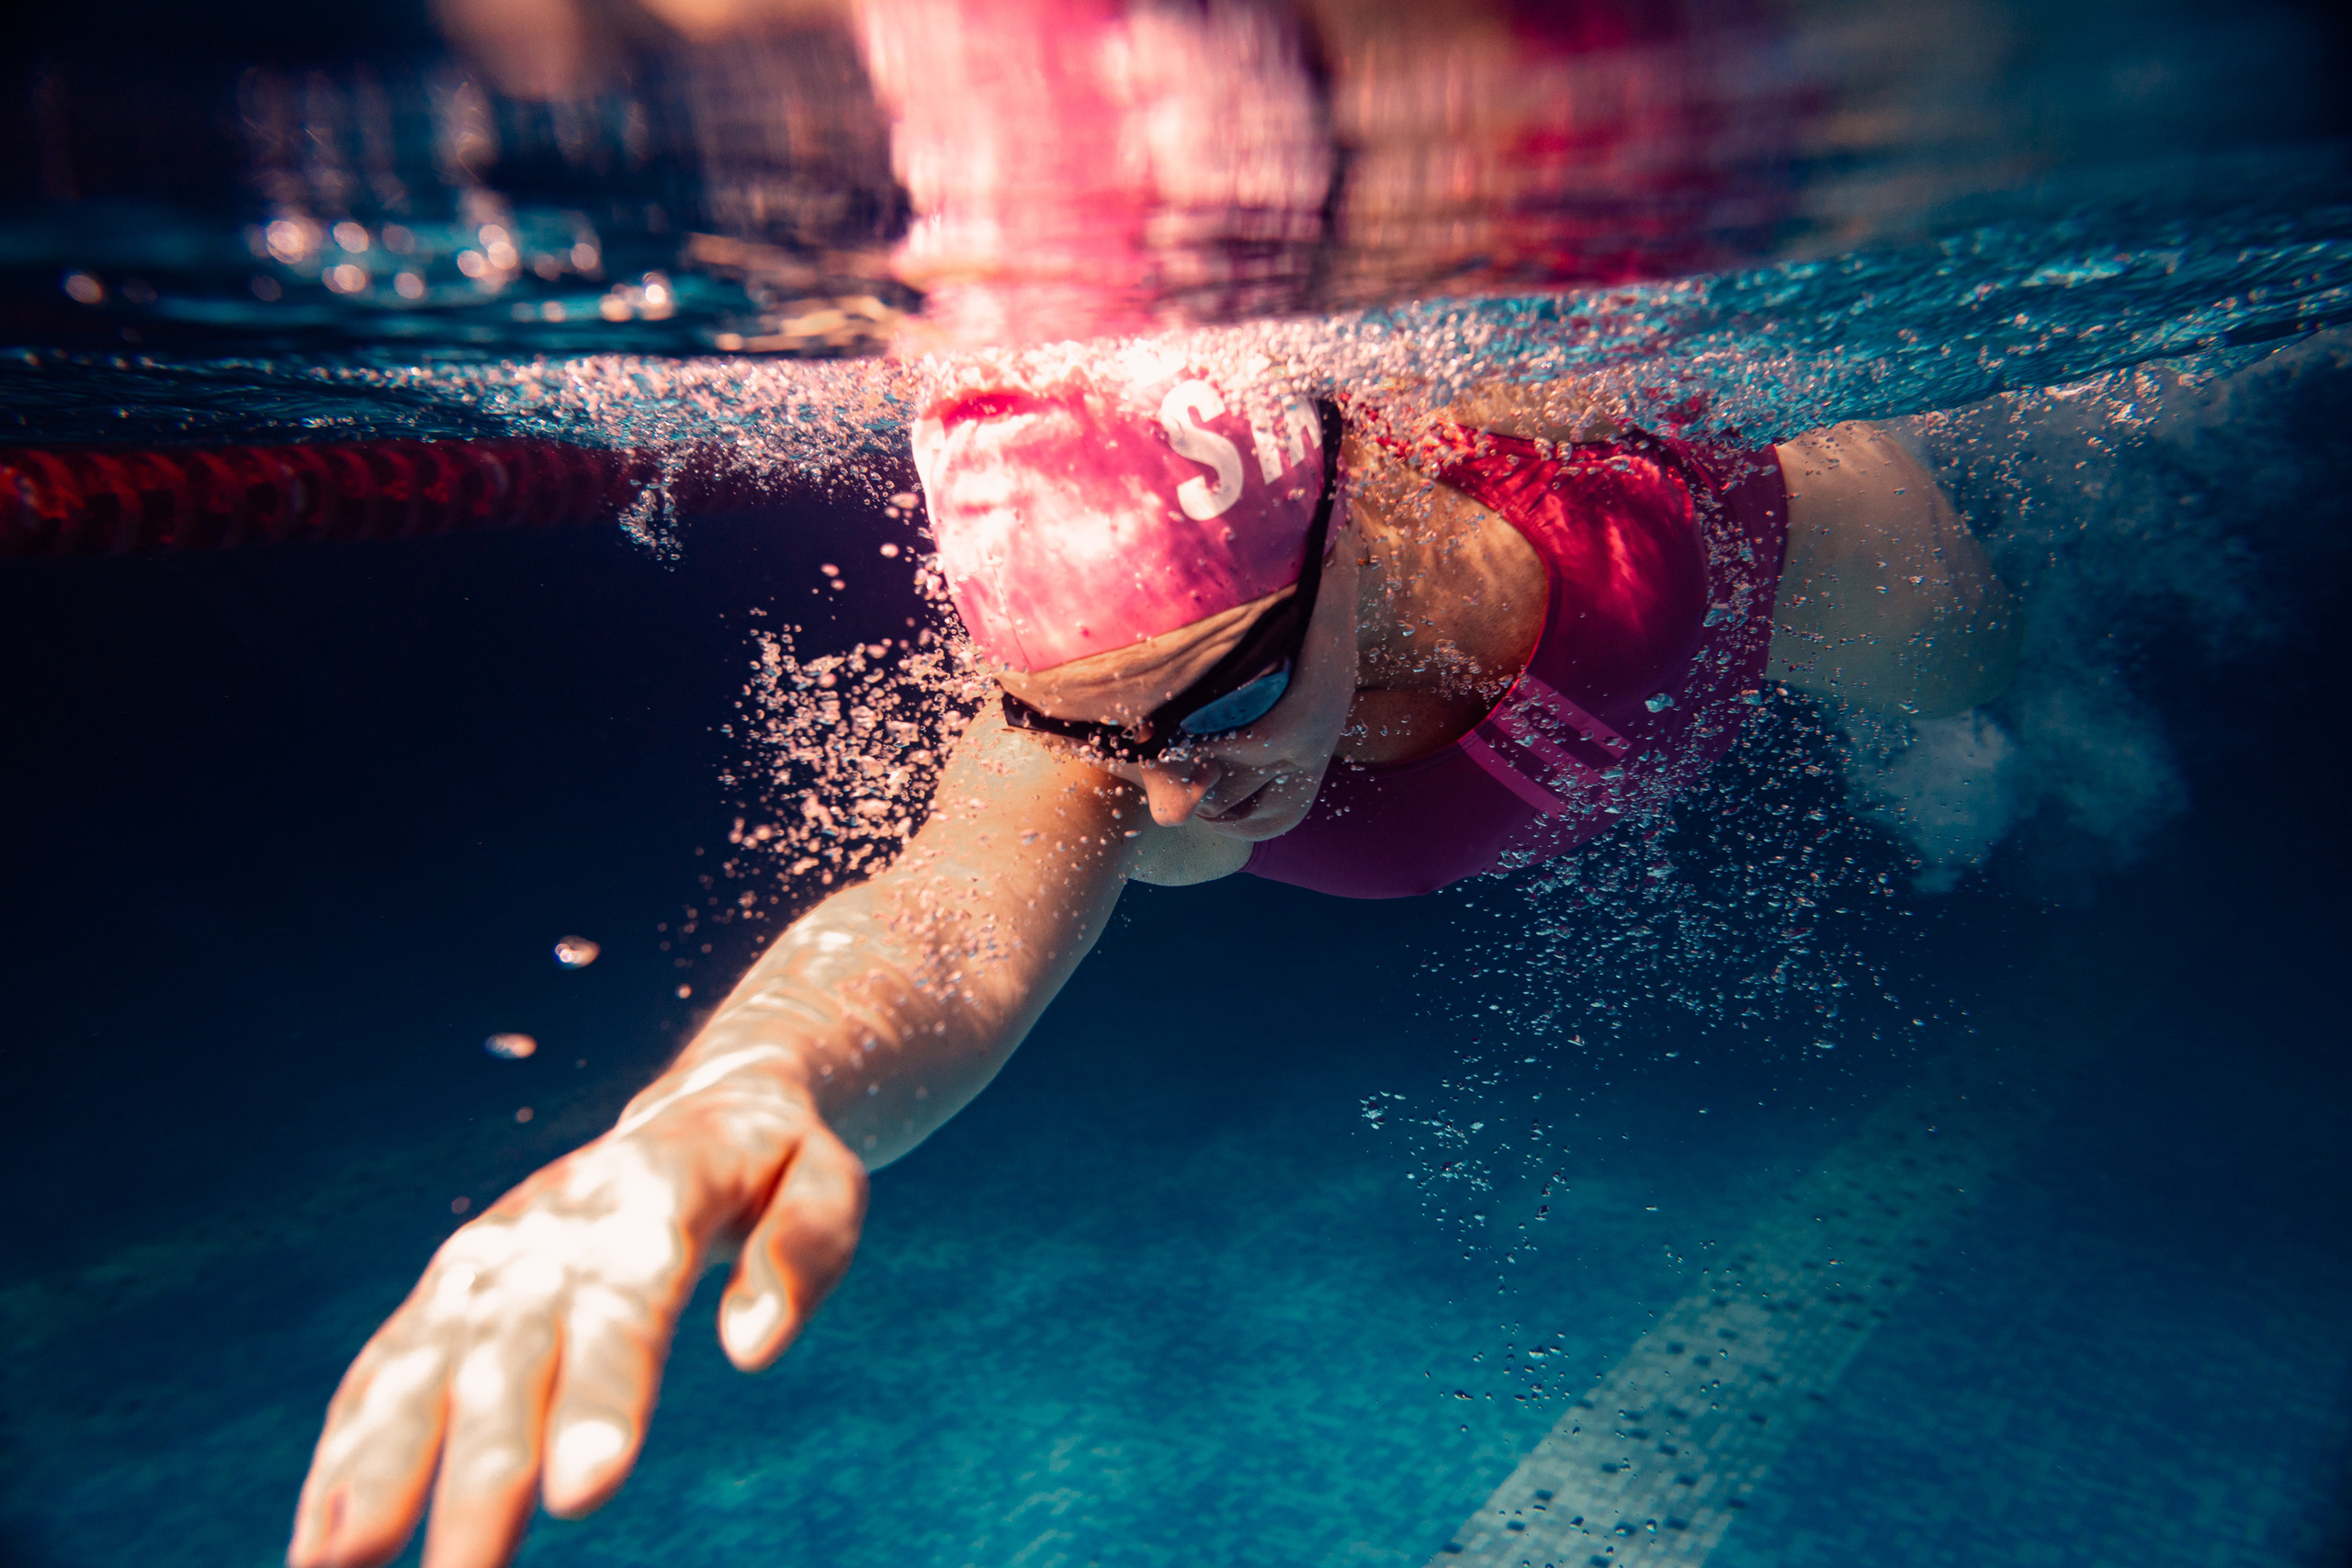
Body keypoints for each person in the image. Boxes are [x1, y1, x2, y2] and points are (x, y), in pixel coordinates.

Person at [286, 355, 2018, 1568]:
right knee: (1136, 817)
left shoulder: (1593, 500)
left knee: (1985, 665)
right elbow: (943, 922)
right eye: (1097, 727)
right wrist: (737, 1088)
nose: (1178, 766)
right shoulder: (1107, 743)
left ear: (1349, 534)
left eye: (1229, 692)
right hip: (1606, 680)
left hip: (1760, 577)